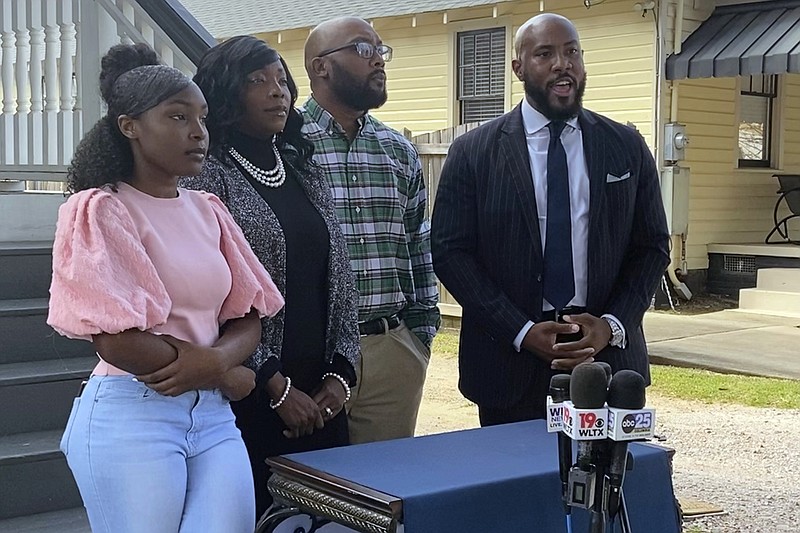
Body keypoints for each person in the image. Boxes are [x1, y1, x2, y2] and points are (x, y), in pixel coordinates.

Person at [48, 43, 285, 532]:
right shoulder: (99, 210)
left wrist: (219, 364)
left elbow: (248, 314)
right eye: (178, 117)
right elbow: (115, 339)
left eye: (201, 118)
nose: (198, 132)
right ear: (129, 126)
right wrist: (223, 371)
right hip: (134, 412)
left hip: (214, 418)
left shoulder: (209, 210)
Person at [430, 13, 670, 426]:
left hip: (606, 361)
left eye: (571, 52)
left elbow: (651, 247)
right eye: (545, 54)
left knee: (606, 488)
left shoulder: (626, 147)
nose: (563, 63)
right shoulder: (473, 153)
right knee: (517, 487)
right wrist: (521, 331)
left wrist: (611, 326)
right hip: (509, 364)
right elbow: (451, 253)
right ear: (518, 68)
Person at [180, 35, 360, 518]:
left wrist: (341, 375)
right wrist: (275, 386)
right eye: (258, 81)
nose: (277, 91)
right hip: (247, 401)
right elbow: (210, 295)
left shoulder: (303, 168)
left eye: (281, 80)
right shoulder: (205, 176)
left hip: (322, 401)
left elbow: (339, 278)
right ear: (224, 93)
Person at [301, 17, 441, 444]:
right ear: (320, 67)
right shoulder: (285, 145)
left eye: (382, 50)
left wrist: (419, 338)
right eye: (364, 49)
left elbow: (419, 246)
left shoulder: (398, 151)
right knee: (309, 494)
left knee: (383, 496)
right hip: (311, 356)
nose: (379, 60)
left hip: (391, 351)